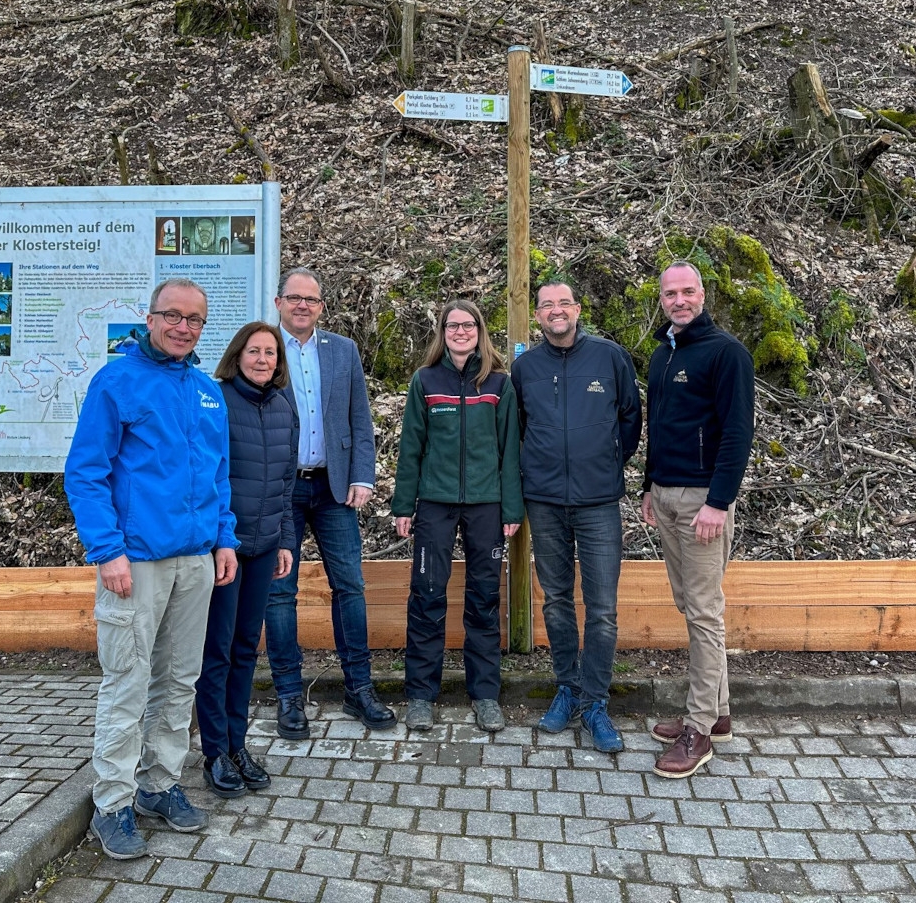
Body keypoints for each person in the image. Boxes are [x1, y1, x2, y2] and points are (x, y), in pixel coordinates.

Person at [64, 278, 239, 859]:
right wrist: (107, 550)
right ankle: (111, 803)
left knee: (178, 679)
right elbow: (86, 473)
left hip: (194, 560)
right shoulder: (116, 381)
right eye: (173, 316)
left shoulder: (206, 390)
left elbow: (217, 476)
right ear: (151, 316)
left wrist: (224, 540)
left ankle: (159, 784)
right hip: (135, 561)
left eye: (195, 320)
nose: (183, 327)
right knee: (127, 682)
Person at [264, 267, 396, 737]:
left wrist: (363, 473)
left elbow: (360, 418)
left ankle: (359, 689)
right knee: (279, 593)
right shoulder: (262, 349)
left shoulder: (343, 350)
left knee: (351, 587)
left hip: (334, 487)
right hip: (280, 491)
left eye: (312, 299)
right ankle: (287, 695)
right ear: (278, 302)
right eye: (294, 298)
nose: (303, 305)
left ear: (322, 306)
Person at [511, 279, 641, 752]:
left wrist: (606, 463)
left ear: (578, 309)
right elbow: (518, 428)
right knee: (557, 601)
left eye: (564, 303)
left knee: (603, 610)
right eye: (547, 305)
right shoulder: (525, 368)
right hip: (543, 501)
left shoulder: (609, 358)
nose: (556, 311)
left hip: (598, 502)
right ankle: (567, 688)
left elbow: (631, 419)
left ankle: (596, 703)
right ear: (539, 315)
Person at [642, 261, 755, 779]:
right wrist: (648, 486)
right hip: (665, 494)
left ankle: (699, 730)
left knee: (704, 613)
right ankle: (721, 713)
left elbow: (736, 434)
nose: (679, 300)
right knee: (692, 605)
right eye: (671, 293)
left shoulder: (726, 353)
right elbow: (658, 426)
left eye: (688, 292)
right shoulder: (662, 353)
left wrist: (718, 501)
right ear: (662, 299)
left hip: (702, 499)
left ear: (702, 294)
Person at [392, 299, 523, 733]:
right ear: (443, 332)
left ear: (480, 330)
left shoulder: (499, 384)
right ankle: (420, 696)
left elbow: (510, 452)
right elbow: (411, 447)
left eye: (468, 325)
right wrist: (403, 505)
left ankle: (485, 694)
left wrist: (510, 508)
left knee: (484, 599)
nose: (461, 331)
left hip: (487, 506)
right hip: (435, 503)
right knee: (427, 596)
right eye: (453, 326)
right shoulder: (426, 381)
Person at [199, 322, 298, 798]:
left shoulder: (282, 407)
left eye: (271, 353)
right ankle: (214, 751)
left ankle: (237, 745)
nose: (263, 360)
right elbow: (209, 476)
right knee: (215, 651)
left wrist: (286, 541)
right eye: (255, 351)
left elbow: (286, 486)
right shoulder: (217, 400)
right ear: (237, 355)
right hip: (225, 550)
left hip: (264, 548)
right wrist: (221, 541)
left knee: (244, 650)